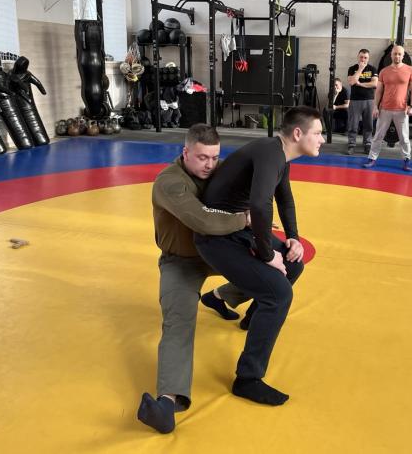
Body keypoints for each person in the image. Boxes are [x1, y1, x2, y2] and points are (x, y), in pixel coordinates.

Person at [195, 106, 325, 406]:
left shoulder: (279, 154)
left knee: (293, 264)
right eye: (318, 133)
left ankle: (246, 315)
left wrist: (293, 238)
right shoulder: (270, 153)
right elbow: (259, 204)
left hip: (238, 230)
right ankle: (247, 379)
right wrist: (267, 255)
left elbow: (284, 198)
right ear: (298, 133)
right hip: (216, 236)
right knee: (278, 294)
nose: (322, 139)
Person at [137, 124, 251, 434]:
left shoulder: (220, 170)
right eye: (202, 157)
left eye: (215, 157)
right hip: (181, 262)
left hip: (218, 253)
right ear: (185, 152)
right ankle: (167, 402)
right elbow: (203, 221)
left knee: (275, 268)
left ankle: (221, 297)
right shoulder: (169, 182)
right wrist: (244, 219)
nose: (210, 165)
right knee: (178, 324)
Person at [362, 45, 412, 171]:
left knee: (404, 137)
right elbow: (378, 91)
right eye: (395, 54)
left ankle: (406, 160)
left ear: (403, 56)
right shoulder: (384, 71)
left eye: (399, 54)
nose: (397, 56)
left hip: (402, 109)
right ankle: (372, 158)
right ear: (391, 55)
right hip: (385, 109)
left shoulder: (410, 70)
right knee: (378, 136)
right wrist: (375, 107)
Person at [346, 49, 378, 155]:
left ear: (368, 58)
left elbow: (374, 84)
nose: (363, 59)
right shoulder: (352, 68)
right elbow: (351, 82)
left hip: (369, 100)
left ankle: (367, 144)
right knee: (353, 124)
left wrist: (360, 84)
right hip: (355, 100)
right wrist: (360, 69)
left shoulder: (372, 69)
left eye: (365, 57)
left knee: (368, 124)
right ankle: (351, 145)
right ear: (358, 57)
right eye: (361, 57)